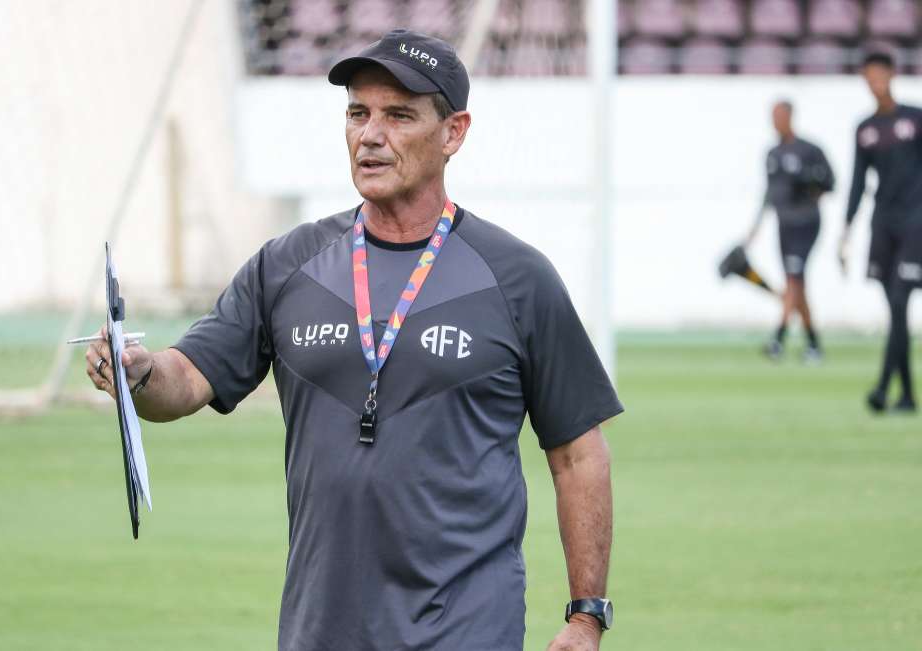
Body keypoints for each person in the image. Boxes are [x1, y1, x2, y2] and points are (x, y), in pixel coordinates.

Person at [85, 29, 623, 650]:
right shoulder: (288, 264)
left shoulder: (517, 279)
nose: (371, 134)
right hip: (322, 630)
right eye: (357, 113)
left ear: (453, 133)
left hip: (467, 628)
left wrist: (586, 616)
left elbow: (579, 454)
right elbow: (186, 378)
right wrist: (139, 373)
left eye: (399, 116)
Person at [842, 51, 922, 414]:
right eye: (869, 77)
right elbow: (858, 182)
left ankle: (882, 387)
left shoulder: (915, 119)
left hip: (915, 222)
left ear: (891, 75)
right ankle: (907, 397)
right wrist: (846, 227)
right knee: (896, 311)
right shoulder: (865, 129)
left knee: (901, 301)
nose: (874, 82)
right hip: (883, 224)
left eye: (879, 75)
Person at [747, 100, 834, 363]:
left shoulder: (810, 150)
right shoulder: (772, 154)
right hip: (784, 224)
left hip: (805, 223)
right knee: (796, 282)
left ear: (790, 116)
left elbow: (830, 182)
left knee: (793, 280)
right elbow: (769, 191)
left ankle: (778, 339)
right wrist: (756, 227)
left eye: (780, 116)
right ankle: (813, 344)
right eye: (773, 116)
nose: (776, 122)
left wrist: (809, 186)